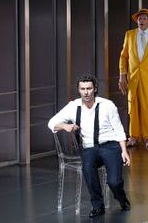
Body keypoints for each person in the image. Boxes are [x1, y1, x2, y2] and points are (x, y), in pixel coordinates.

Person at [48, 74, 131, 218]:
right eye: (83, 89)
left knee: (114, 182)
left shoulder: (107, 105)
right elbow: (51, 122)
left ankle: (121, 198)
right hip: (89, 148)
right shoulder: (73, 106)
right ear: (79, 90)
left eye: (89, 88)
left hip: (110, 146)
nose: (86, 92)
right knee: (88, 169)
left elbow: (118, 130)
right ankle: (97, 206)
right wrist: (64, 126)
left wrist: (124, 151)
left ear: (95, 89)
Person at [119, 9, 148, 148]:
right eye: (139, 18)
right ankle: (133, 136)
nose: (141, 20)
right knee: (132, 105)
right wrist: (122, 75)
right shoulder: (130, 34)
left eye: (144, 18)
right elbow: (124, 56)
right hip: (133, 77)